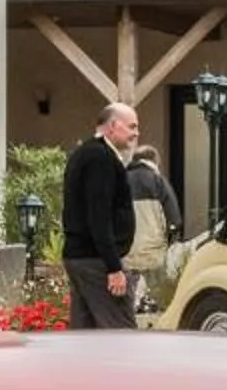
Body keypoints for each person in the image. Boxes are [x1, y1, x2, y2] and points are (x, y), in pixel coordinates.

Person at [60, 101, 139, 330]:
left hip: (81, 257)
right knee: (120, 331)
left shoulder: (84, 153)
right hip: (96, 260)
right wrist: (114, 267)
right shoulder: (101, 158)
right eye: (132, 126)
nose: (136, 133)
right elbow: (99, 214)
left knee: (86, 332)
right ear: (113, 126)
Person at [122, 141, 182, 313]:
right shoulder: (159, 181)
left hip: (125, 250)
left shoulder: (119, 181)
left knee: (128, 291)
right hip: (154, 251)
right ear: (154, 161)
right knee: (155, 296)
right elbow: (175, 219)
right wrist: (170, 241)